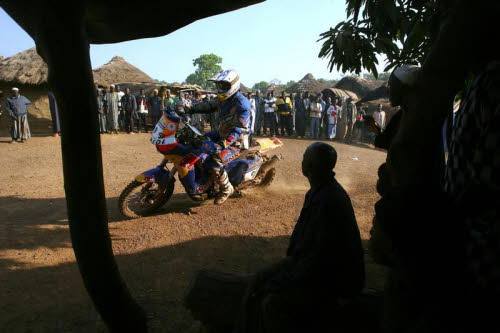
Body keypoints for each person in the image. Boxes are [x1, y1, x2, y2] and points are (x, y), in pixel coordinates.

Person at [236, 142, 365, 333]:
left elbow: (319, 259)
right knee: (259, 278)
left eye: (305, 158)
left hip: (334, 280)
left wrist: (282, 280)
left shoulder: (328, 199)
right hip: (314, 266)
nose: (302, 161)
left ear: (310, 166)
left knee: (271, 301)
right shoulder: (321, 191)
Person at [188, 69, 251, 205]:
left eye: (223, 86)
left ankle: (226, 188)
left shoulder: (242, 105)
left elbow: (238, 130)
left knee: (214, 160)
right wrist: (190, 109)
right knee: (197, 142)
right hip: (221, 133)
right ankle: (204, 180)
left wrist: (222, 144)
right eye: (218, 85)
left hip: (236, 141)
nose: (220, 89)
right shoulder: (224, 98)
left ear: (233, 85)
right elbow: (209, 105)